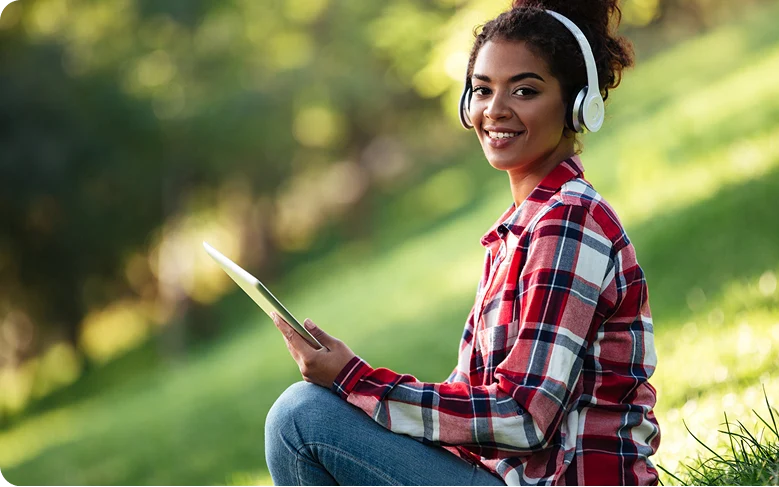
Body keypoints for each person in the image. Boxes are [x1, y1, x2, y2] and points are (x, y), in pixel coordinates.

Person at [264, 0, 660, 485]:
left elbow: (523, 417)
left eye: (525, 90)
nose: (495, 110)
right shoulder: (521, 229)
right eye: (482, 90)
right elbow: (468, 406)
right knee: (313, 410)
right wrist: (355, 395)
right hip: (498, 475)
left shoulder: (569, 222)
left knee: (300, 417)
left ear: (580, 104)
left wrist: (355, 380)